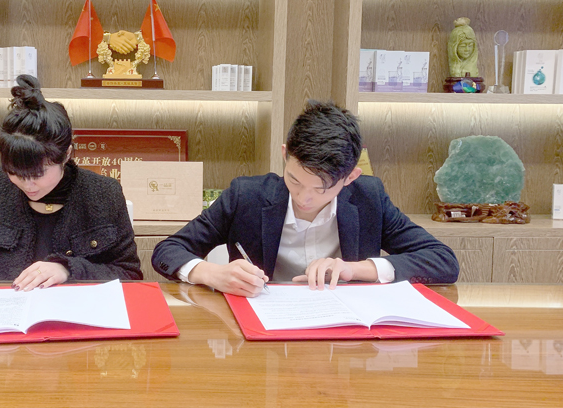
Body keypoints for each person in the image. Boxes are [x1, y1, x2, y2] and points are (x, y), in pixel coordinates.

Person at [152, 100, 459, 297]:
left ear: (350, 177)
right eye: (294, 180)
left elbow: (442, 260)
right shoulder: (246, 196)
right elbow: (167, 250)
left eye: (321, 189)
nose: (304, 197)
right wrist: (213, 273)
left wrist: (355, 269)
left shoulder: (369, 198)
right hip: (264, 333)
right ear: (285, 155)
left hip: (344, 337)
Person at [0, 75, 142, 301]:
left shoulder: (103, 194)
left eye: (38, 174)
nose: (27, 184)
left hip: (74, 314)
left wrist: (67, 269)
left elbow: (129, 275)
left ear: (66, 155)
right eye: (14, 172)